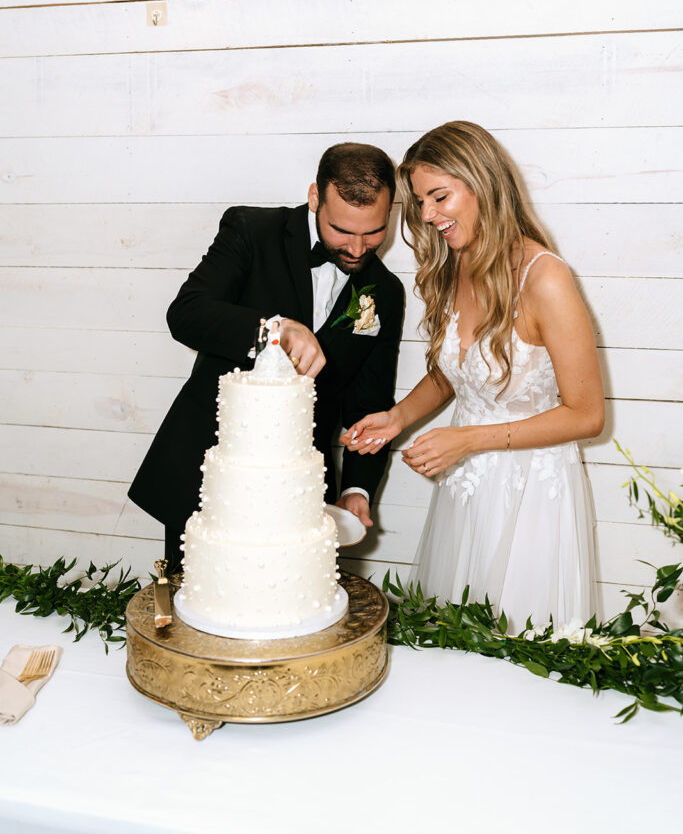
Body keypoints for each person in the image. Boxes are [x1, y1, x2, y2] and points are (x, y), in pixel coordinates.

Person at [341, 122, 604, 633]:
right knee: (458, 633)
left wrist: (468, 439)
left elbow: (588, 415)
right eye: (420, 201)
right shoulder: (454, 262)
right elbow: (455, 373)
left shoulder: (545, 278)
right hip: (467, 488)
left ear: (481, 182)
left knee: (520, 642)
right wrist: (397, 418)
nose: (428, 216)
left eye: (439, 197)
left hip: (530, 493)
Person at [128, 143, 405, 571]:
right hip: (208, 472)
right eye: (342, 230)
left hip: (296, 496)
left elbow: (369, 407)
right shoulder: (251, 230)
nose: (356, 248)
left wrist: (357, 490)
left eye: (373, 232)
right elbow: (186, 314)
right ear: (315, 197)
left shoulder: (384, 292)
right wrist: (273, 330)